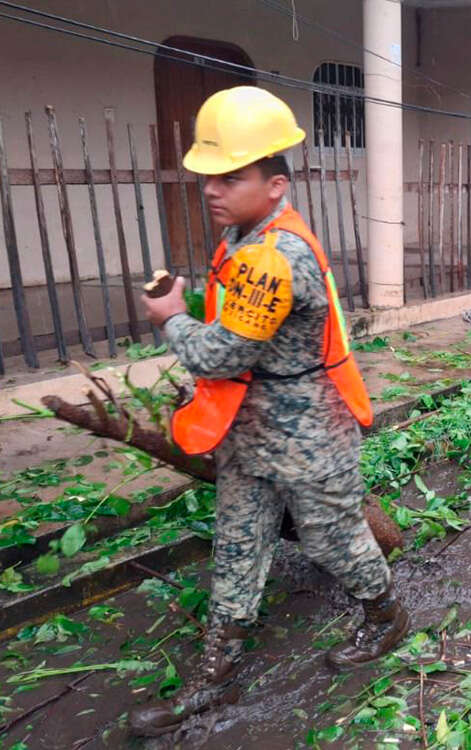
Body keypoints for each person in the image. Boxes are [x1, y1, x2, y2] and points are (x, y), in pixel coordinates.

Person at [131, 86, 407, 736]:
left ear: (276, 183)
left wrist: (171, 319)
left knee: (333, 539)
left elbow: (220, 355)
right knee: (236, 548)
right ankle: (213, 679)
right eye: (209, 175)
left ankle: (385, 615)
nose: (212, 188)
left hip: (311, 433)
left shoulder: (276, 257)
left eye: (232, 176)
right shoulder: (246, 236)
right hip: (254, 433)